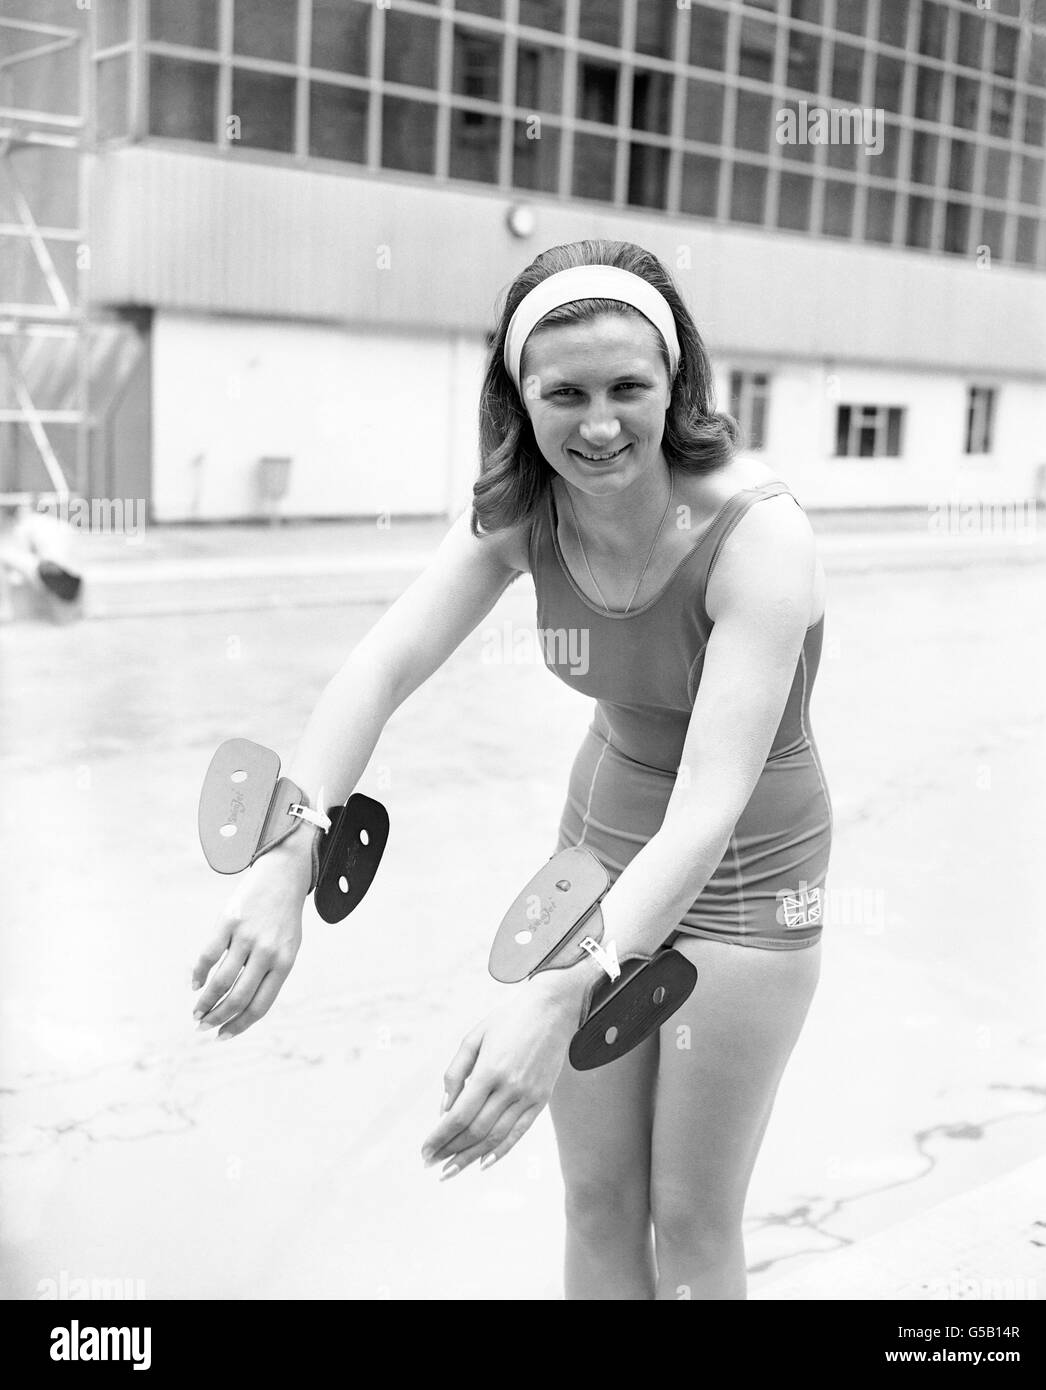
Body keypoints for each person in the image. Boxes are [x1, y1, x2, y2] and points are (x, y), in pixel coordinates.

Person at [191, 239, 833, 1301]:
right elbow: (377, 665)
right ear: (515, 397)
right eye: (563, 392)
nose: (597, 423)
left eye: (629, 387)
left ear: (675, 389)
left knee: (688, 1216)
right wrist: (285, 859)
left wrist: (557, 989)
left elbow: (710, 805)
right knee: (593, 1200)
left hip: (745, 878)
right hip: (593, 848)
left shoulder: (756, 533)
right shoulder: (522, 509)